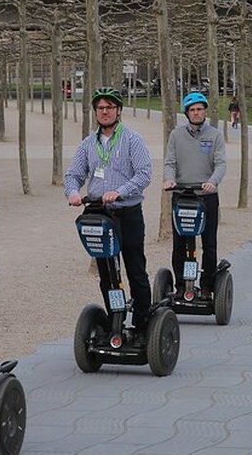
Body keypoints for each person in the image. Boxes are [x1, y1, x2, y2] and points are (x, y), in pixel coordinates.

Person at [64, 87, 153, 339]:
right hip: (99, 215)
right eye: (100, 108)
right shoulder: (88, 144)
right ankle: (115, 319)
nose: (104, 112)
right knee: (107, 273)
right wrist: (72, 192)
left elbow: (144, 174)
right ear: (95, 112)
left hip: (127, 213)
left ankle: (143, 325)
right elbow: (73, 173)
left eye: (109, 107)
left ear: (118, 111)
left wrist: (120, 191)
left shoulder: (132, 140)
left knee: (135, 269)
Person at [163, 92, 227, 299]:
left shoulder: (215, 135)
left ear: (205, 111)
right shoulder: (176, 135)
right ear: (187, 113)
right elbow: (170, 162)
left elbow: (221, 163)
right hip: (182, 194)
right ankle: (181, 285)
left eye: (200, 109)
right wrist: (169, 179)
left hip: (206, 195)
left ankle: (207, 286)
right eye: (192, 109)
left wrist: (212, 182)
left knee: (209, 243)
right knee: (180, 243)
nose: (196, 113)